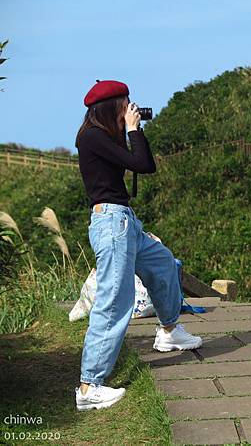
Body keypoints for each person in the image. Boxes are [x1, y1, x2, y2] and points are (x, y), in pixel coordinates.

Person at [74, 79, 202, 411]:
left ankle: (170, 331)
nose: (131, 107)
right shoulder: (92, 137)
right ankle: (90, 387)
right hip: (111, 223)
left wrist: (132, 131)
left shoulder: (104, 137)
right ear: (110, 107)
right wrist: (133, 130)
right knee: (115, 299)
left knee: (163, 265)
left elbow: (145, 164)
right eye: (126, 103)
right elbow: (144, 165)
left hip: (127, 223)